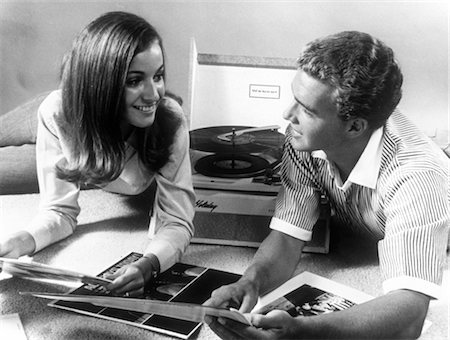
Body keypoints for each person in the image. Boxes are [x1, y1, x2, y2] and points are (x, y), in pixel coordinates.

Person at [204, 31, 449, 339]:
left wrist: (307, 332)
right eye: (295, 99)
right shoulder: (304, 140)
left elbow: (409, 316)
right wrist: (248, 283)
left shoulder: (417, 175)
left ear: (355, 126)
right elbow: (286, 237)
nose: (287, 115)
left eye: (306, 110)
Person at [0, 11, 195, 297]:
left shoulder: (168, 121)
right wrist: (23, 240)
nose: (153, 93)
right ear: (103, 82)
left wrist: (149, 264)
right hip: (70, 118)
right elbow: (57, 210)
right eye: (135, 80)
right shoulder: (58, 111)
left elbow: (177, 221)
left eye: (159, 76)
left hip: (84, 160)